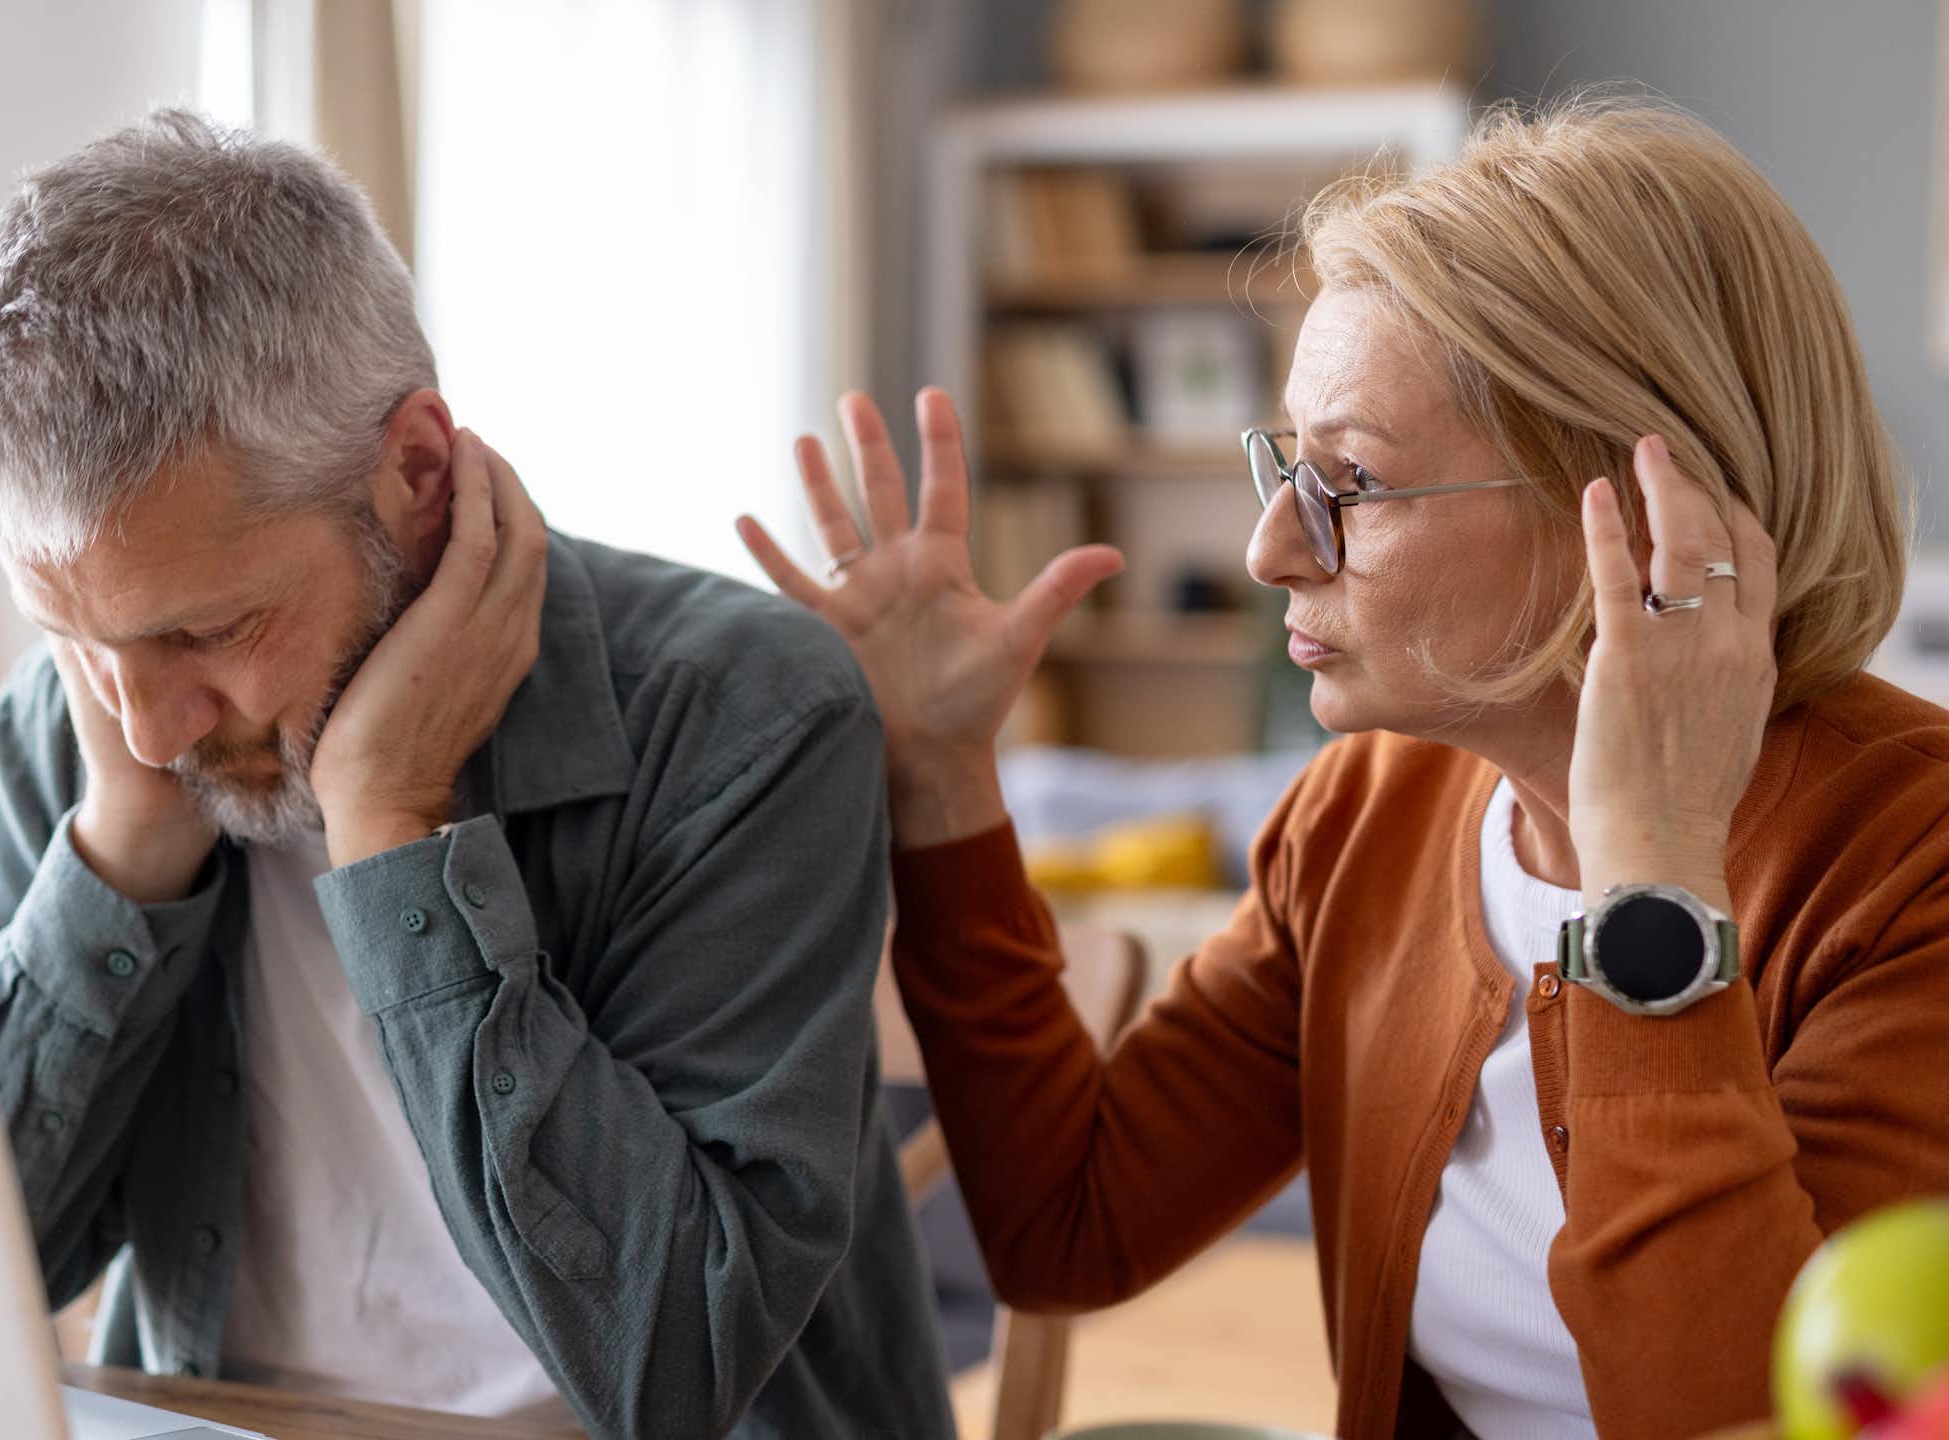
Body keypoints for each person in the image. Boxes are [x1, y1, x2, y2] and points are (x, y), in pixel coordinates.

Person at [741, 98, 1949, 1440]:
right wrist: (941, 777)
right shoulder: (1369, 811)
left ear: (1636, 510)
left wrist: (1651, 881)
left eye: (1352, 483)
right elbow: (1070, 1228)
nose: (1270, 551)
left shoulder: (1915, 864)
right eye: (1286, 468)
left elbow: (1731, 1419)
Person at [0, 109, 953, 1440]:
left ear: (412, 469)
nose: (152, 727)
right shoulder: (94, 734)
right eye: (73, 637)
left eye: (209, 631)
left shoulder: (745, 717)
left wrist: (394, 832)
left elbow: (672, 1364)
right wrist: (124, 846)